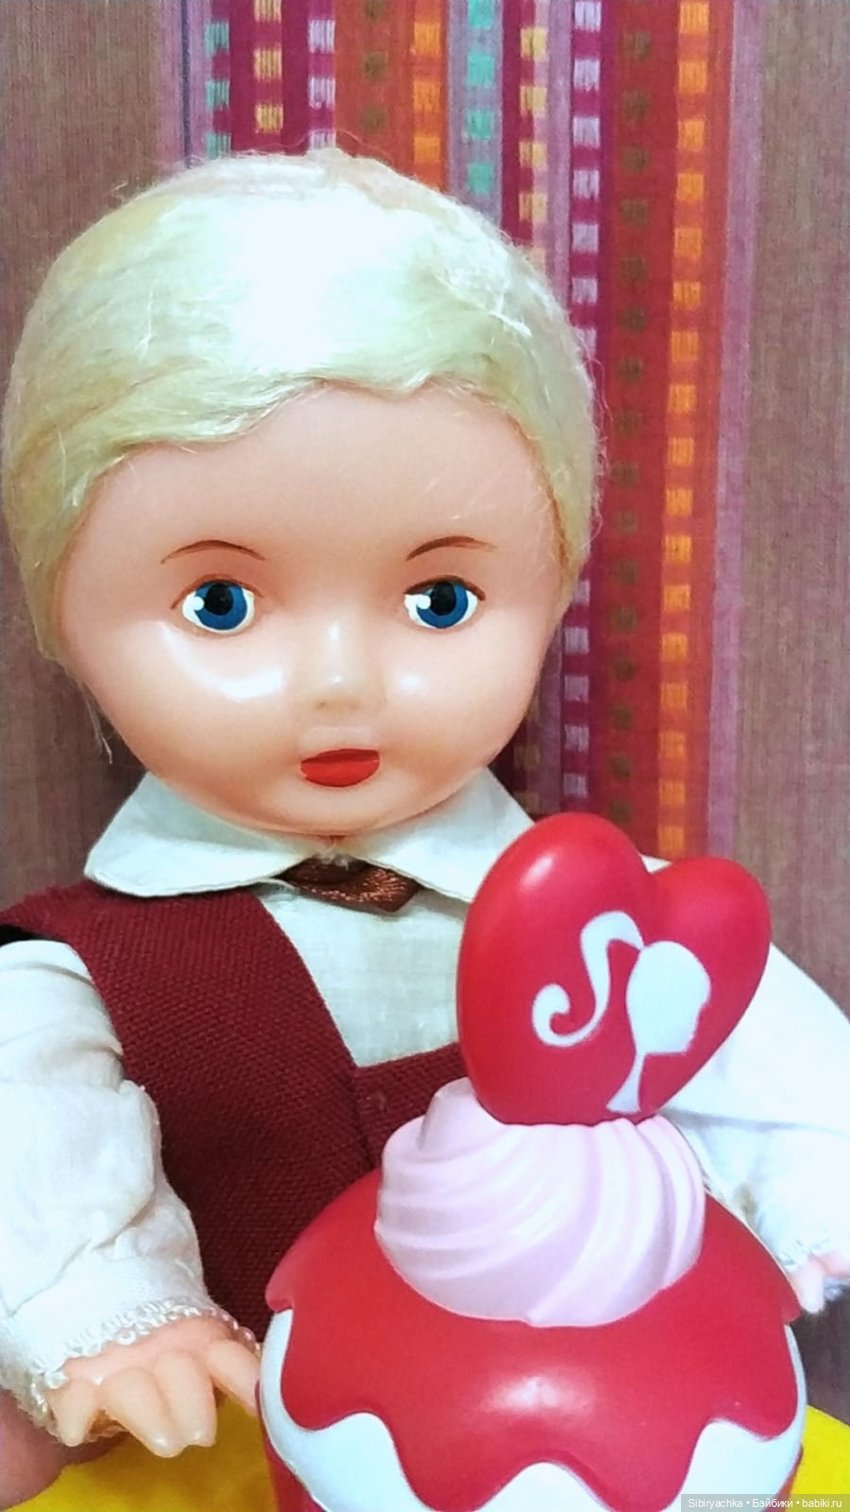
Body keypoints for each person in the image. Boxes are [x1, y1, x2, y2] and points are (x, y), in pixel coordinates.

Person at [0, 150, 848, 1507]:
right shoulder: (80, 974)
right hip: (234, 1442)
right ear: (67, 610)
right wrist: (106, 1318)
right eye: (221, 605)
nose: (341, 684)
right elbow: (28, 1149)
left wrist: (806, 1199)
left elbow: (783, 1072)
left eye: (439, 601)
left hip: (590, 1443)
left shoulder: (605, 927)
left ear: (551, 583)